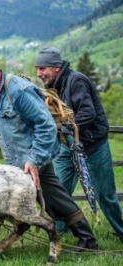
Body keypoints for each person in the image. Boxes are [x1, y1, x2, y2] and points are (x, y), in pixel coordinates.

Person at [0, 46, 99, 252]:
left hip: (37, 155)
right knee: (5, 194)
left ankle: (88, 241)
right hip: (16, 161)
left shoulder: (18, 91)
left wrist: (34, 159)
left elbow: (46, 125)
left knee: (51, 197)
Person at [35, 46, 123, 243]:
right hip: (67, 146)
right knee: (58, 190)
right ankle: (59, 234)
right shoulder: (52, 87)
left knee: (104, 194)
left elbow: (87, 113)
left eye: (43, 68)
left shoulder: (77, 81)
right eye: (37, 69)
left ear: (56, 67)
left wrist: (64, 127)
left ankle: (121, 231)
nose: (39, 74)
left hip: (92, 144)